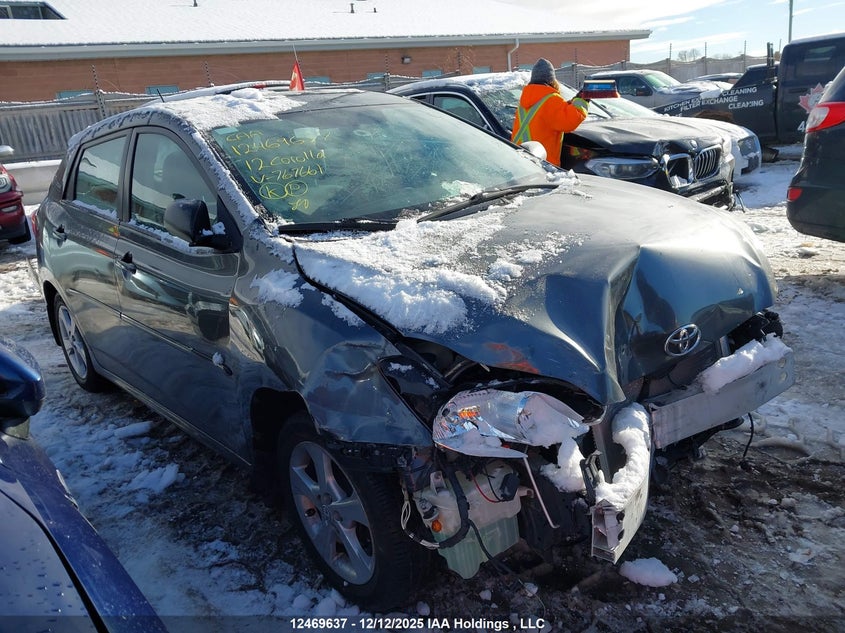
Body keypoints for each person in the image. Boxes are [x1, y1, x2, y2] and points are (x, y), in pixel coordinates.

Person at [511, 58, 589, 167]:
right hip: (544, 163)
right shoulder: (551, 100)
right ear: (552, 80)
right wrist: (583, 100)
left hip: (521, 161)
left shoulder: (524, 102)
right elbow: (569, 122)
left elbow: (544, 116)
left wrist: (569, 103)